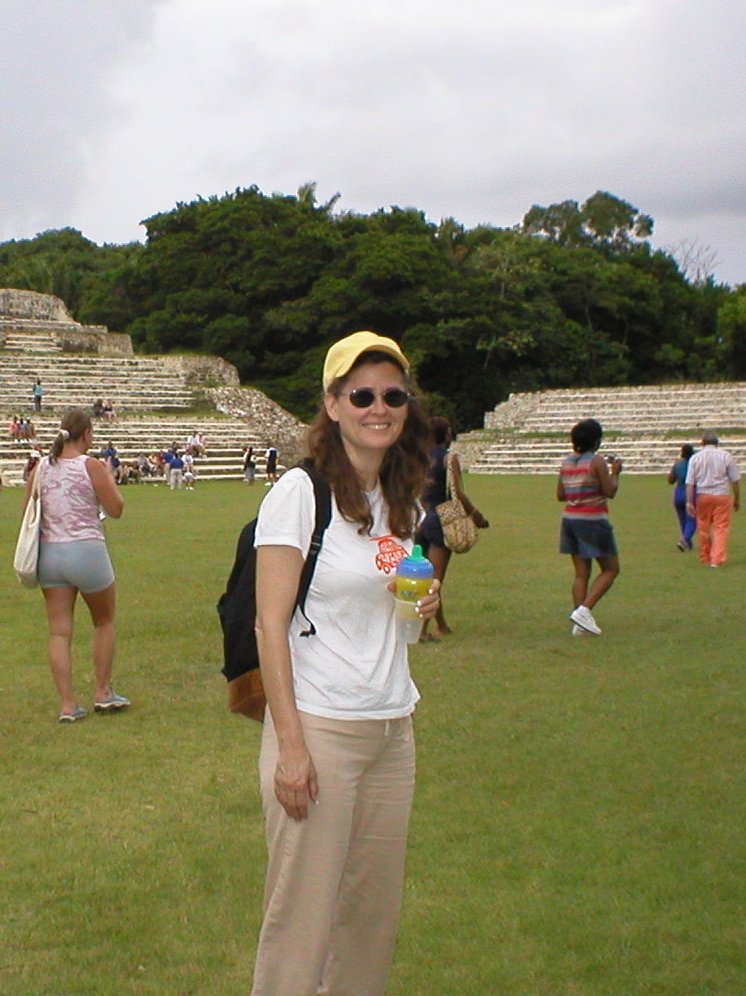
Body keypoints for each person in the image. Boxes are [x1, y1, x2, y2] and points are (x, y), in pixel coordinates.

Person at [250, 331, 439, 996]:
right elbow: (268, 622)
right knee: (301, 924)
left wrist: (419, 602)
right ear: (332, 405)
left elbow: (395, 612)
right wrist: (291, 747)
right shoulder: (300, 494)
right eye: (361, 394)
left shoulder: (402, 500)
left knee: (369, 924)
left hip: (391, 727)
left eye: (393, 394)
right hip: (321, 728)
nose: (378, 407)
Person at [24, 409, 128, 723]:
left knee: (58, 632)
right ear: (86, 434)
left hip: (50, 554)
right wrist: (108, 476)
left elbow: (29, 513)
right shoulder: (90, 465)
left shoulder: (41, 467)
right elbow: (116, 508)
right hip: (85, 549)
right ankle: (102, 691)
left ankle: (68, 704)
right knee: (104, 621)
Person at [413, 416, 488, 640]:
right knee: (435, 579)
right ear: (445, 435)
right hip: (440, 520)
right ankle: (421, 630)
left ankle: (441, 625)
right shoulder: (448, 459)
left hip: (419, 518)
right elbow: (458, 493)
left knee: (423, 575)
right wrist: (477, 516)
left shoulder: (419, 458)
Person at [557, 419, 621, 636]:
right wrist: (616, 472)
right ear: (596, 441)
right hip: (592, 520)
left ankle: (579, 623)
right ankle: (584, 610)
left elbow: (560, 495)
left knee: (581, 574)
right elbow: (609, 491)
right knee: (611, 569)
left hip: (569, 519)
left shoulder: (566, 462)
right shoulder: (596, 462)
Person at [687, 432, 741, 568]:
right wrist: (737, 498)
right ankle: (717, 559)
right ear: (717, 443)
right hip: (722, 494)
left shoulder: (695, 458)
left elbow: (690, 483)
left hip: (703, 495)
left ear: (702, 443)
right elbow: (735, 480)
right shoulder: (726, 456)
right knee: (721, 528)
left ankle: (705, 557)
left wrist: (689, 501)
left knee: (703, 527)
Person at [668, 444, 696, 552]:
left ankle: (687, 542)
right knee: (692, 519)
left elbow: (670, 480)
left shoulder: (678, 464)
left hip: (678, 492)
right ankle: (685, 540)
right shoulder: (694, 464)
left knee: (682, 519)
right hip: (690, 492)